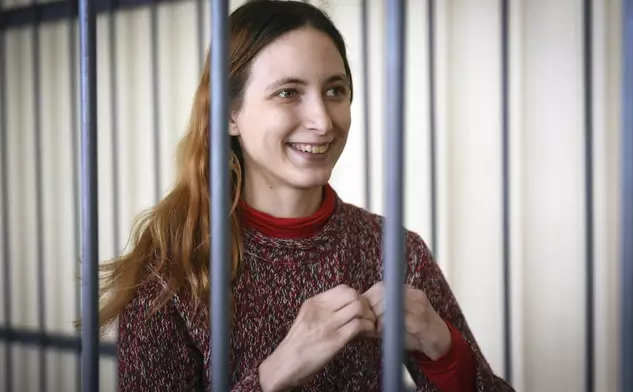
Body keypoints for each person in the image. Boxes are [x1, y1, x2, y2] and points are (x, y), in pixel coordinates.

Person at [97, 1, 515, 391]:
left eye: (334, 90)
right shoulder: (170, 266)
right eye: (288, 92)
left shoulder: (394, 250)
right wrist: (275, 374)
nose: (322, 120)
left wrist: (446, 351)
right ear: (229, 114)